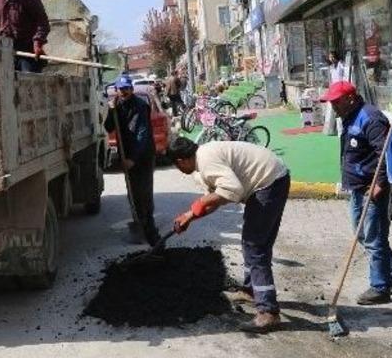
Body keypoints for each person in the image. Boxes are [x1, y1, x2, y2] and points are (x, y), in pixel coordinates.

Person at [168, 137, 290, 333]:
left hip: (269, 181)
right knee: (253, 243)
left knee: (255, 246)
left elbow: (233, 189)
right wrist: (190, 217)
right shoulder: (201, 164)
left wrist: (202, 201)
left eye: (177, 166)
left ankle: (269, 312)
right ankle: (251, 291)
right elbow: (218, 200)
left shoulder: (206, 161)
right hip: (269, 180)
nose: (180, 171)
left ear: (181, 161)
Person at [319, 81, 392, 305]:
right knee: (362, 234)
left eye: (336, 101)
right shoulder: (350, 116)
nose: (333, 106)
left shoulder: (371, 118)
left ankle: (380, 287)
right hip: (358, 187)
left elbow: (385, 154)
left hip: (372, 188)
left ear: (350, 98)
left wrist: (379, 183)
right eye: (331, 102)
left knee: (373, 237)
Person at [104, 75, 159, 246]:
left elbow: (142, 135)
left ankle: (150, 229)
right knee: (133, 192)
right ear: (118, 91)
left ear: (132, 89)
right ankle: (139, 223)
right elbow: (108, 127)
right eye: (121, 89)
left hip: (142, 155)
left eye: (127, 88)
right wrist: (110, 111)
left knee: (144, 191)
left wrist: (133, 159)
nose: (124, 92)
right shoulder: (117, 105)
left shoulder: (141, 106)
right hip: (127, 154)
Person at [323, 50, 346, 136]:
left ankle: (342, 129)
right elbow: (331, 79)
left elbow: (345, 75)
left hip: (341, 89)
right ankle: (338, 130)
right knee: (335, 109)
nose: (331, 59)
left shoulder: (341, 64)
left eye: (332, 57)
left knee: (342, 108)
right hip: (334, 89)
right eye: (330, 57)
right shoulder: (331, 67)